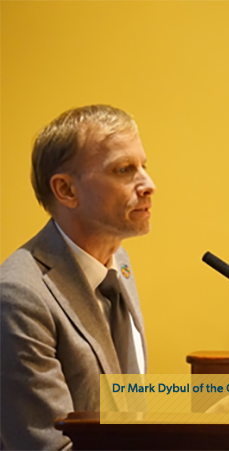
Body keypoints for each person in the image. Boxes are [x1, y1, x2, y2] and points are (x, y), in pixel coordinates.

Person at [0, 105, 156, 450]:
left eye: (144, 166)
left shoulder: (119, 262)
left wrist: (206, 413)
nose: (149, 184)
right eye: (124, 169)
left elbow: (122, 400)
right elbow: (50, 446)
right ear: (66, 190)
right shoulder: (19, 296)